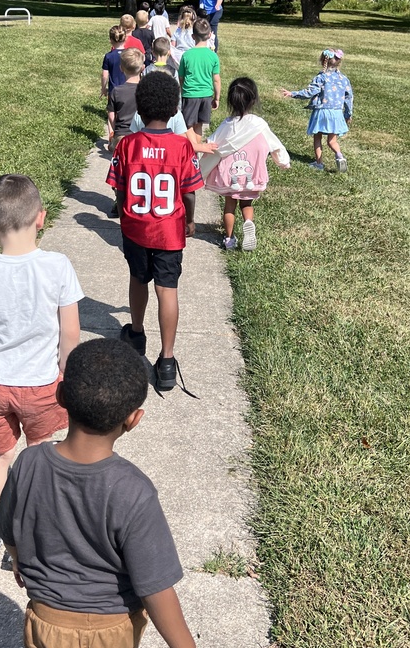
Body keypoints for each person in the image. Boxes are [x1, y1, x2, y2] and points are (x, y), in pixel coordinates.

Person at [0, 338, 205, 648]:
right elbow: (156, 586)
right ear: (133, 419)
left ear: (60, 395)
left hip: (49, 626)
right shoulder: (133, 491)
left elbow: (8, 524)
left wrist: (19, 560)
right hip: (116, 630)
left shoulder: (28, 464)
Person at [0, 174, 83, 558]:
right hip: (42, 383)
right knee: (40, 453)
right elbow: (71, 334)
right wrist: (66, 374)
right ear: (41, 218)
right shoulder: (58, 267)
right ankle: (40, 524)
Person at [107, 71, 204, 392]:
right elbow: (189, 192)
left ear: (140, 108)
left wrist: (123, 210)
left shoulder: (126, 145)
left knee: (138, 278)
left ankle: (136, 332)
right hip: (169, 231)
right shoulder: (182, 147)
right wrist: (189, 220)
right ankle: (166, 361)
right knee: (168, 288)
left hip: (135, 227)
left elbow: (119, 189)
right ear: (174, 108)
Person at [201, 76, 291, 251]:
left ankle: (229, 239)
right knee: (246, 204)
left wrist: (201, 167)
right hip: (251, 177)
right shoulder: (260, 125)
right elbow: (276, 146)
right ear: (253, 99)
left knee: (229, 206)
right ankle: (248, 222)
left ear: (231, 101)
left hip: (230, 178)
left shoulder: (227, 125)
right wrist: (283, 162)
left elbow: (212, 145)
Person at [281, 48, 353, 172]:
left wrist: (292, 94)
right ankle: (339, 156)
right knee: (332, 140)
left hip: (322, 111)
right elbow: (349, 97)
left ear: (322, 61)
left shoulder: (321, 77)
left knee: (317, 137)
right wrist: (348, 114)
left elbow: (310, 92)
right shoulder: (344, 79)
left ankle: (319, 163)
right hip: (336, 112)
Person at [177, 18, 221, 137]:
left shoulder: (186, 55)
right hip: (206, 95)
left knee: (188, 125)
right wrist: (217, 98)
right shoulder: (213, 56)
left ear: (193, 36)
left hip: (190, 94)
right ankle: (196, 150)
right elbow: (216, 80)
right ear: (210, 35)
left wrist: (182, 89)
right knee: (200, 125)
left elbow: (181, 77)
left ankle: (193, 150)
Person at [108, 47, 144, 152]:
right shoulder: (146, 90)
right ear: (142, 68)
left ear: (121, 68)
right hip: (141, 134)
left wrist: (115, 129)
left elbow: (111, 115)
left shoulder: (116, 91)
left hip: (122, 134)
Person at [169, 5, 196, 71]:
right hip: (192, 56)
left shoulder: (178, 31)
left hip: (179, 57)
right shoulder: (194, 31)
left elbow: (173, 45)